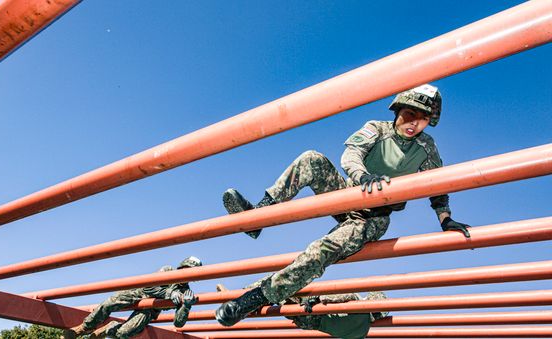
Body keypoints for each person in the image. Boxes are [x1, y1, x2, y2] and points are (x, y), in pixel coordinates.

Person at [215, 84, 470, 326]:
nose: (414, 123)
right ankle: (258, 218)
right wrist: (362, 176)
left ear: (430, 122)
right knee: (311, 159)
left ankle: (249, 301)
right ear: (398, 110)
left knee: (320, 251)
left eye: (423, 118)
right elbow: (351, 154)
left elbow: (436, 186)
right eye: (409, 114)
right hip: (349, 195)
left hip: (372, 218)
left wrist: (445, 219)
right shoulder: (377, 130)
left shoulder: (426, 148)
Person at [62, 256, 202, 339]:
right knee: (109, 303)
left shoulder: (186, 293)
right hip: (138, 293)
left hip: (149, 310)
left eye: (192, 272)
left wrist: (186, 307)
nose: (189, 273)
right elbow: (148, 286)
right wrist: (169, 294)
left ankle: (111, 328)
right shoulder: (168, 271)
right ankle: (83, 328)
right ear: (182, 267)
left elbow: (178, 324)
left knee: (124, 333)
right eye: (187, 269)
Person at [216, 283, 389, 339]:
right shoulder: (362, 333)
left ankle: (237, 301)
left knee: (276, 287)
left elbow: (342, 296)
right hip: (310, 323)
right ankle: (242, 309)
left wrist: (318, 298)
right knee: (278, 299)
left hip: (313, 310)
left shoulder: (359, 304)